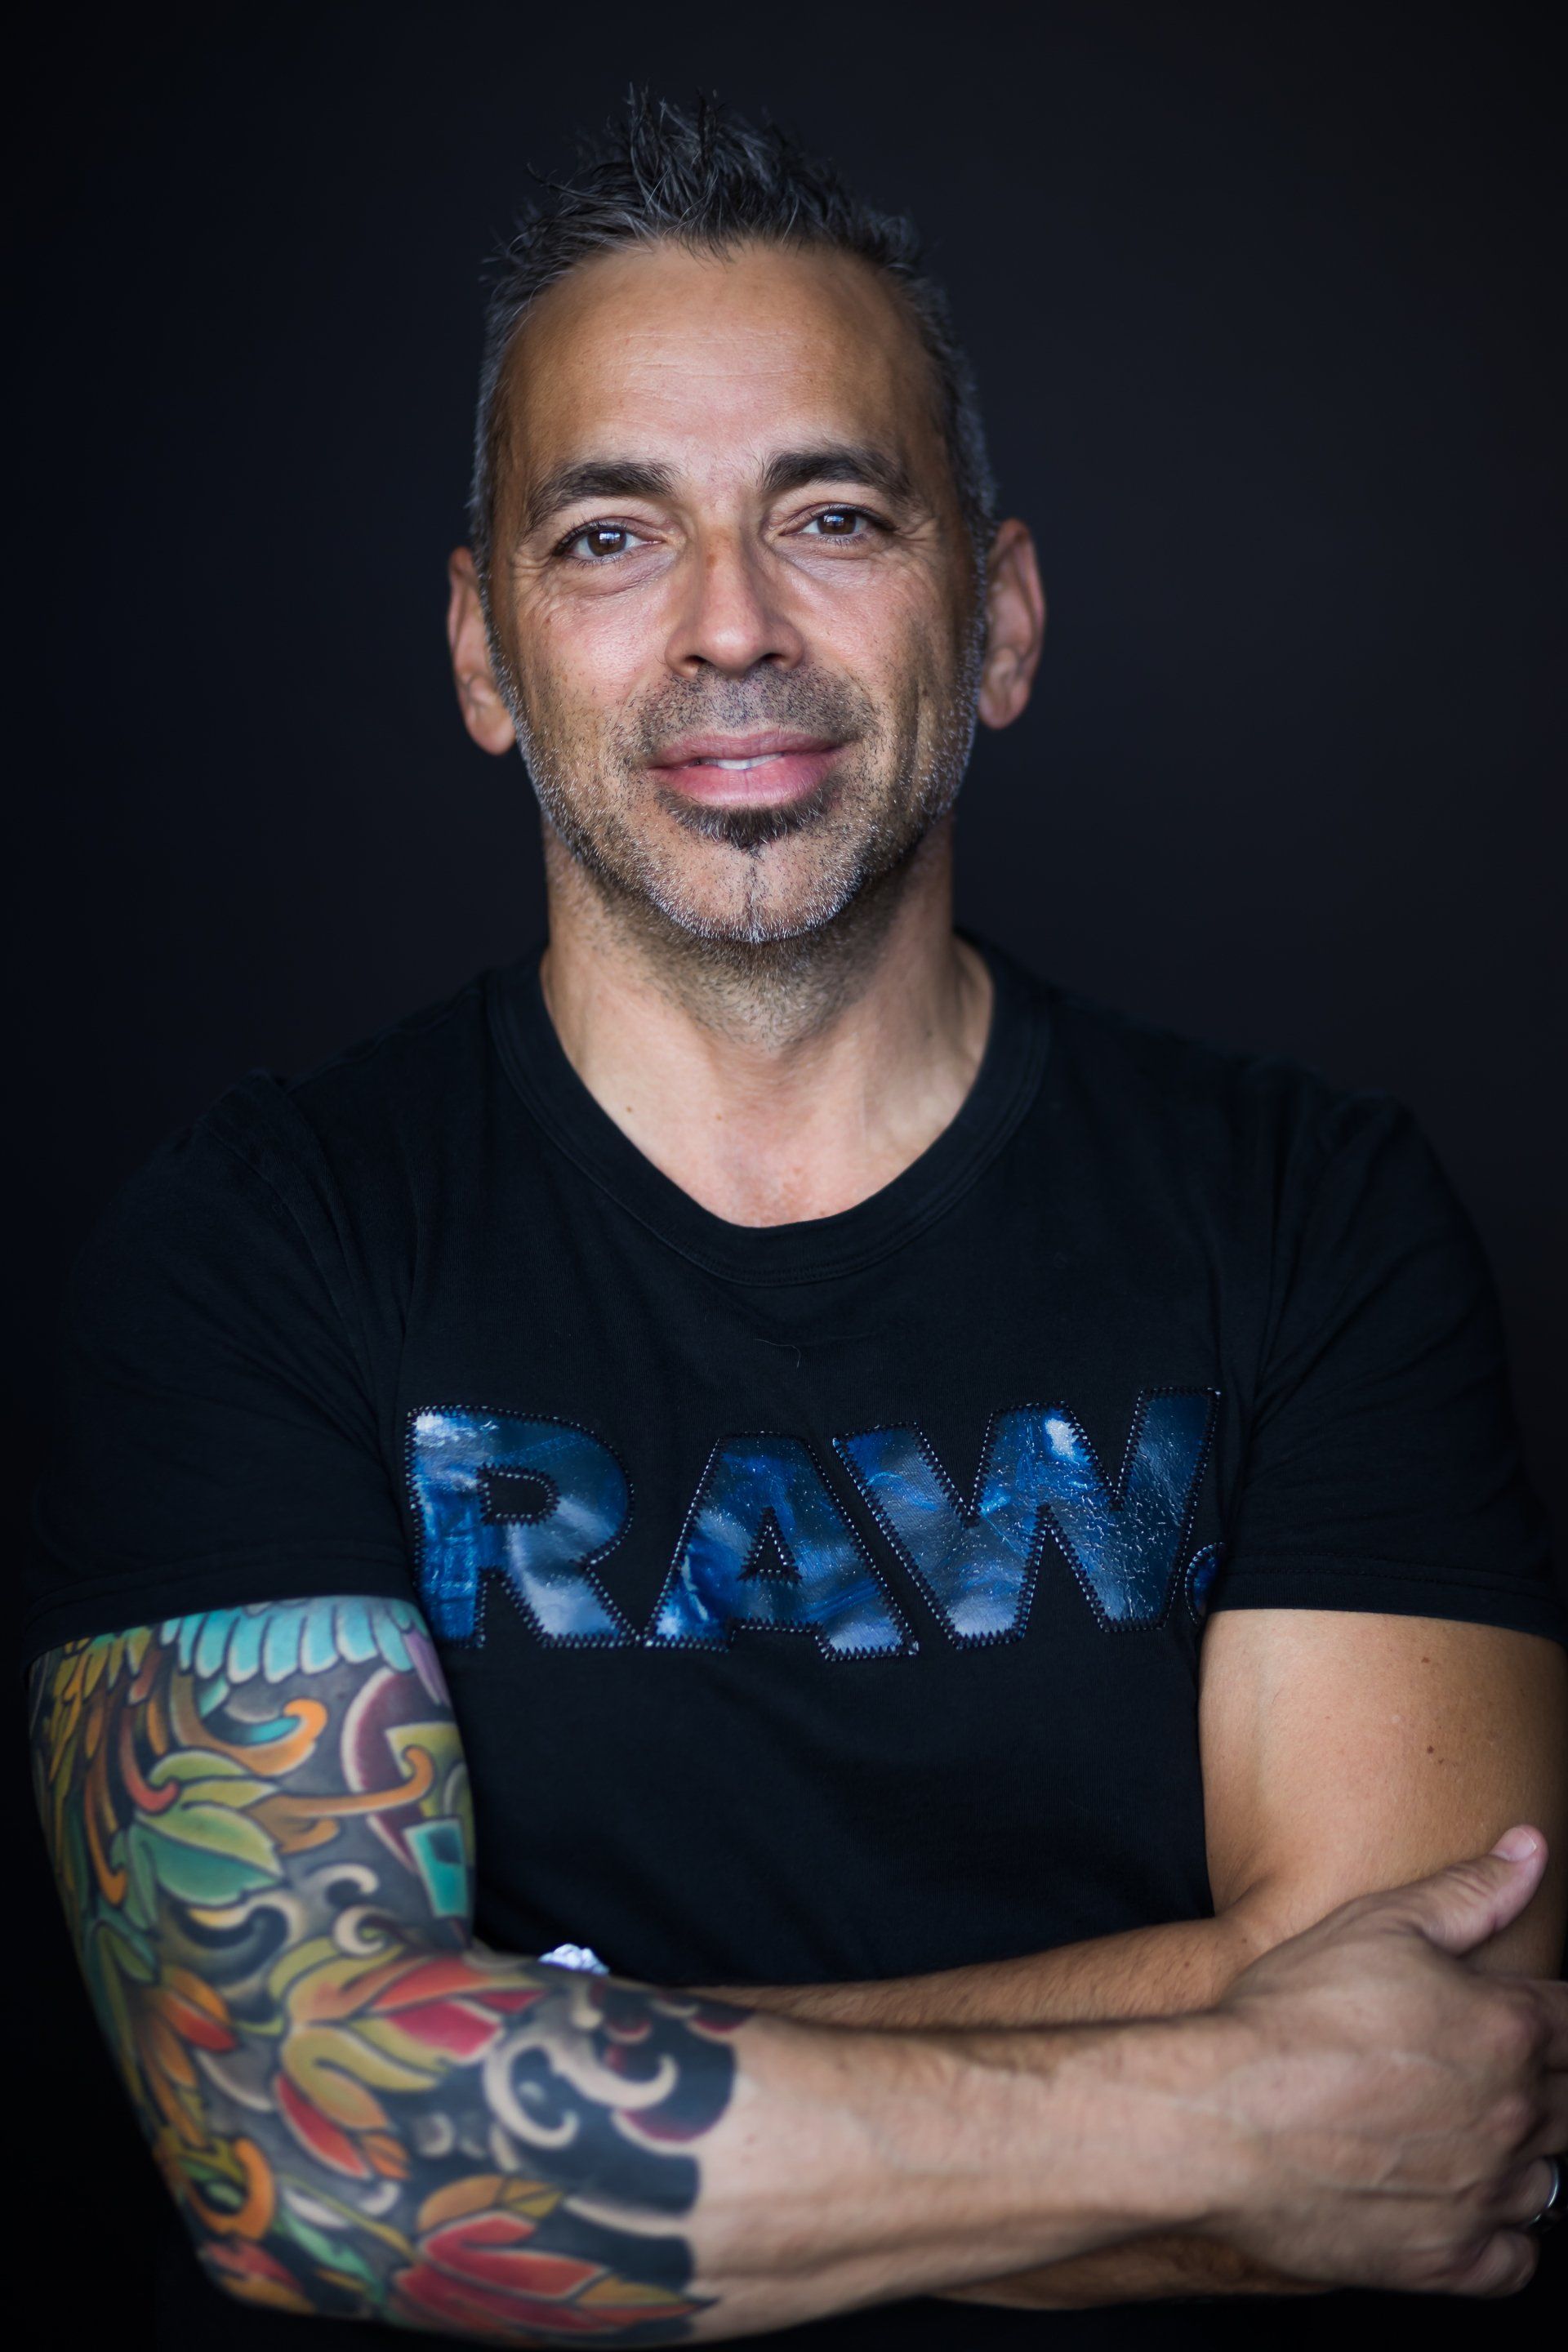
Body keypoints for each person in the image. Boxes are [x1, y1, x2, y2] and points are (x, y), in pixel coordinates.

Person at [24, 94, 1567, 2350]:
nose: (732, 630)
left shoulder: (1310, 1216)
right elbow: (308, 2147)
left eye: (832, 514)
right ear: (482, 656)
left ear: (1005, 615)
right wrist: (1238, 2106)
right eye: (611, 539)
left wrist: (520, 2049)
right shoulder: (256, 1247)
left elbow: (1452, 2078)